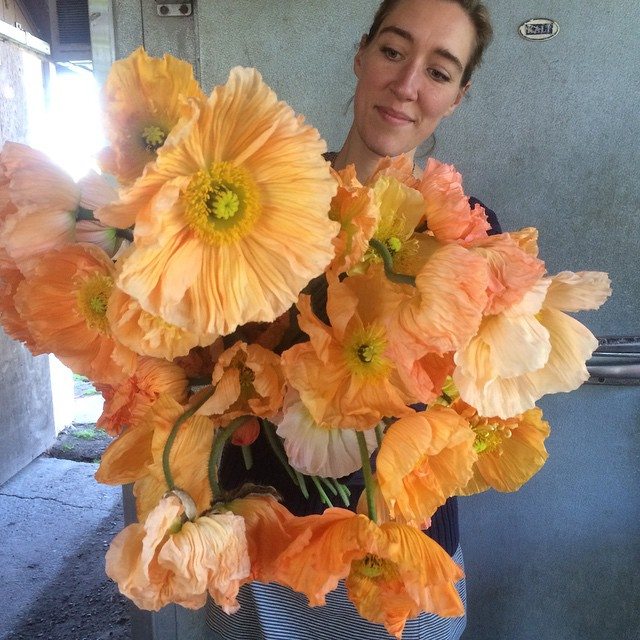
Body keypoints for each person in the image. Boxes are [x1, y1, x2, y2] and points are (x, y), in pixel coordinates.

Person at [210, 1, 496, 637]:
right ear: (361, 55)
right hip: (266, 545)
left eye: (440, 72)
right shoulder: (262, 200)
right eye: (393, 52)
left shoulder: (467, 234)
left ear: (458, 96)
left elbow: (480, 400)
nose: (406, 85)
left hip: (398, 556)